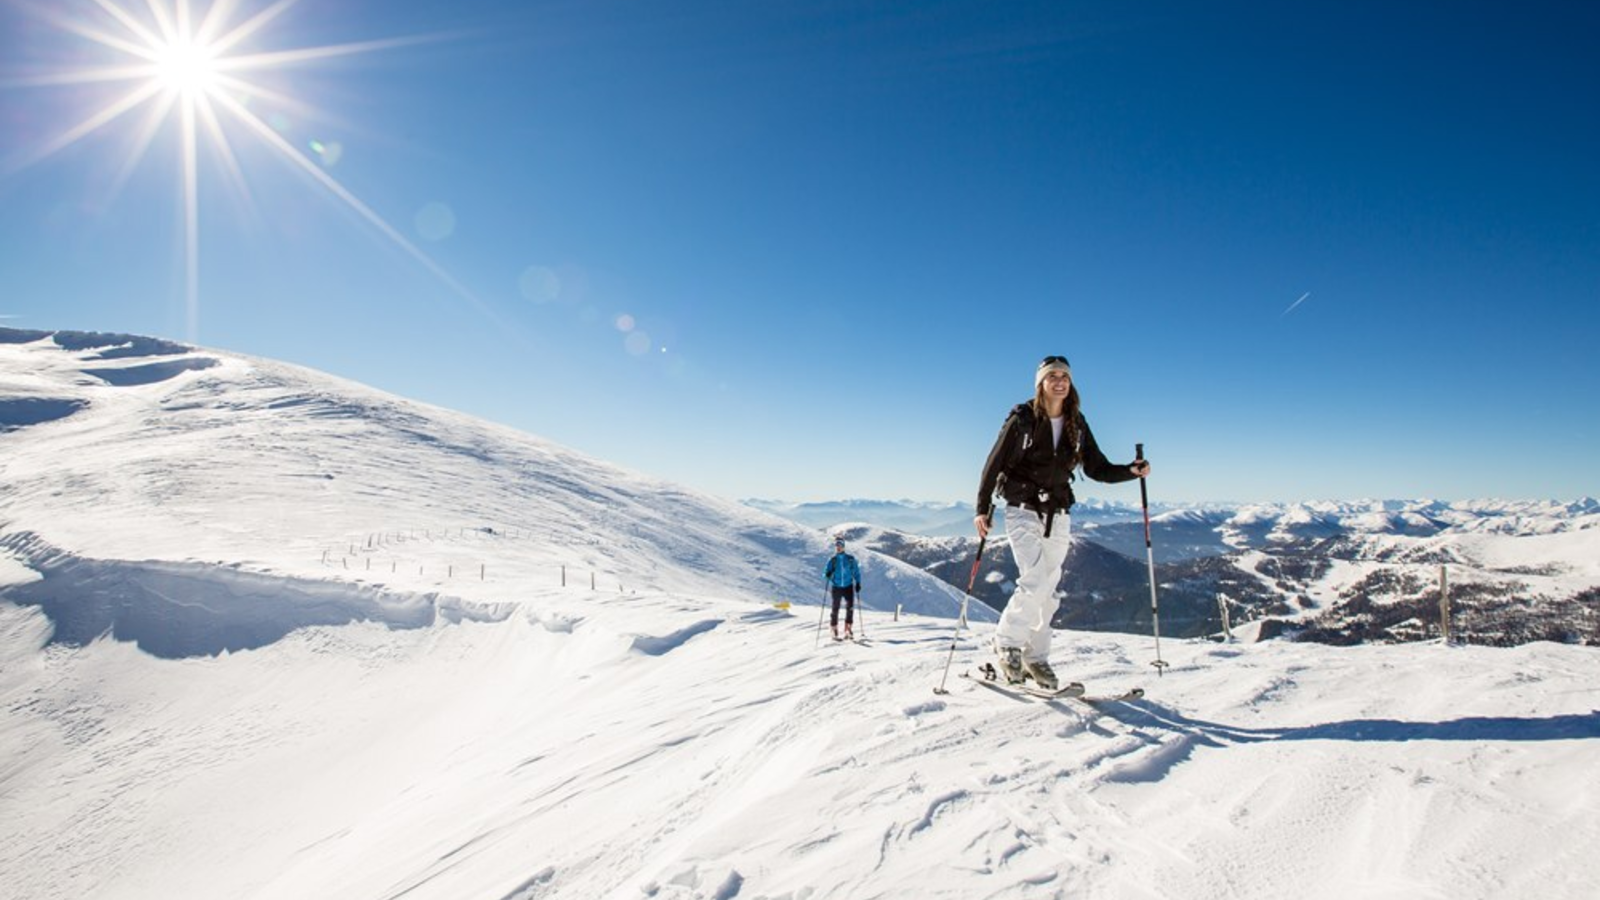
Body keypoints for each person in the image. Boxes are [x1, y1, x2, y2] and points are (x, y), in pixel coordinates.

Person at [974, 355, 1151, 689]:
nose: (1060, 381)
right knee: (1035, 579)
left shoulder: (1076, 423)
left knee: (1049, 590)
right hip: (1023, 508)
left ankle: (1036, 657)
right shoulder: (1023, 419)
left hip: (1059, 512)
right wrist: (981, 508)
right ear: (1040, 383)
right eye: (1052, 376)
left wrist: (1130, 471)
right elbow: (994, 462)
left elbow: (1097, 468)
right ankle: (1007, 643)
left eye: (1065, 377)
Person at [823, 537, 862, 640]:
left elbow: (856, 572)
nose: (838, 547)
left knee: (850, 608)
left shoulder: (850, 559)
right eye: (837, 546)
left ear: (844, 546)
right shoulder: (833, 560)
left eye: (840, 545)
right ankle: (834, 628)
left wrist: (858, 583)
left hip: (848, 586)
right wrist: (828, 574)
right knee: (835, 609)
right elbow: (825, 573)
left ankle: (848, 629)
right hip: (836, 587)